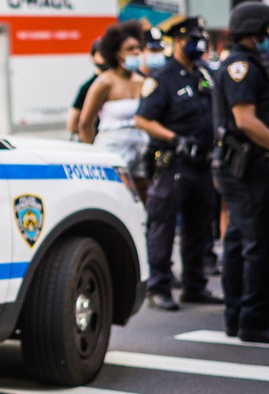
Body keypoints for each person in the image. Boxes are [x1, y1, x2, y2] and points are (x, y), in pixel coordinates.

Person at [134, 16, 223, 311]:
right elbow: (143, 119)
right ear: (179, 43)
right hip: (174, 164)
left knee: (199, 227)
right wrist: (175, 139)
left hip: (202, 164)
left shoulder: (205, 74)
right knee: (163, 226)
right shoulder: (163, 79)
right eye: (191, 39)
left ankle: (194, 285)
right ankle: (159, 287)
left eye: (200, 37)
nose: (197, 44)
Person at [212, 0, 269, 343]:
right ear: (256, 30)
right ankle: (253, 320)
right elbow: (245, 120)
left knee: (237, 240)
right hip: (246, 167)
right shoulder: (240, 67)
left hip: (243, 167)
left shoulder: (247, 64)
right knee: (257, 243)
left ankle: (236, 316)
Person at [78, 20, 149, 200]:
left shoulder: (142, 82)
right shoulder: (104, 82)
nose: (136, 52)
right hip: (112, 151)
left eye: (138, 48)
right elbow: (85, 124)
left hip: (140, 151)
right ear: (117, 53)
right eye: (130, 49)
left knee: (143, 198)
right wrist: (92, 156)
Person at [67, 38, 104, 140]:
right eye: (102, 54)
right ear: (92, 57)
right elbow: (72, 125)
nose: (106, 59)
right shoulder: (87, 87)